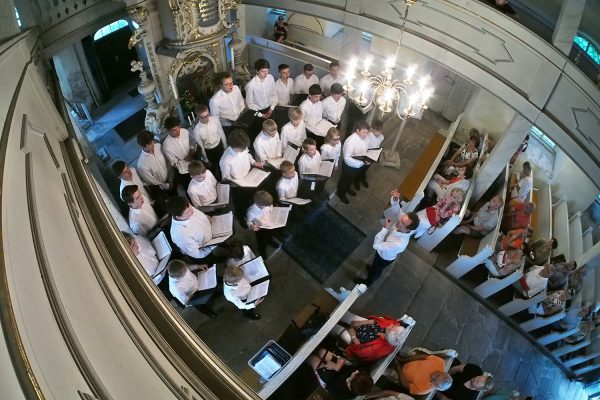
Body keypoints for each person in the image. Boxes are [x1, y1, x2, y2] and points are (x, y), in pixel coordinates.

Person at [306, 348, 402, 399]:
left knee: (313, 359)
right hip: (340, 369)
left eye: (355, 375)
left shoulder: (341, 393)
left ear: (350, 383)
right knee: (322, 351)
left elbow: (329, 382)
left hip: (329, 380)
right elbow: (354, 367)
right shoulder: (362, 374)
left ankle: (307, 360)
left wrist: (335, 367)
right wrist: (338, 366)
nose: (356, 371)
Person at [354, 212, 420, 286]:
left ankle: (368, 282)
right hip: (382, 251)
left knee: (377, 269)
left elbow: (376, 245)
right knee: (375, 266)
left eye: (402, 222)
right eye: (401, 218)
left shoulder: (399, 243)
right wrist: (395, 201)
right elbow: (398, 210)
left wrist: (385, 228)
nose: (399, 221)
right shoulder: (402, 226)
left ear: (408, 229)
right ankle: (372, 270)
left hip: (384, 258)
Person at [167, 196, 218, 263]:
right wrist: (213, 245)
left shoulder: (187, 208)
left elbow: (200, 215)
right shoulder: (180, 235)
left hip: (214, 232)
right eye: (187, 211)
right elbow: (197, 254)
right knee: (212, 260)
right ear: (179, 217)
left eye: (189, 206)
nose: (192, 210)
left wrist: (207, 218)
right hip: (207, 249)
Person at [343, 316, 408, 362]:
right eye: (394, 326)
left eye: (392, 327)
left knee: (342, 332)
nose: (391, 324)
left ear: (388, 335)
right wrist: (360, 323)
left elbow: (360, 350)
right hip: (363, 327)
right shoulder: (392, 332)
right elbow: (375, 321)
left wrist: (353, 335)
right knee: (349, 316)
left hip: (355, 340)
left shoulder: (377, 350)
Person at [336, 120, 372, 204]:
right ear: (357, 130)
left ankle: (347, 188)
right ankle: (341, 194)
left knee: (350, 180)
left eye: (367, 132)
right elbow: (346, 158)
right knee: (344, 181)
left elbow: (367, 146)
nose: (366, 135)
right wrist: (362, 163)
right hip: (349, 166)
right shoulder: (350, 141)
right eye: (364, 132)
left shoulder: (366, 137)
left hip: (360, 162)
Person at [192, 104, 227, 179]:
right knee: (213, 170)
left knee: (223, 165)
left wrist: (225, 147)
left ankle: (225, 180)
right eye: (203, 117)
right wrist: (206, 160)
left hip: (219, 146)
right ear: (198, 117)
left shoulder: (215, 120)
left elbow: (222, 134)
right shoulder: (196, 131)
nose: (207, 118)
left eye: (208, 115)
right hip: (209, 151)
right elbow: (201, 147)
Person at [246, 190, 281, 258]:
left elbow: (270, 208)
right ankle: (262, 250)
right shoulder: (251, 211)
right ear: (259, 204)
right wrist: (251, 226)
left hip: (269, 224)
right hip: (260, 228)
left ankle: (270, 241)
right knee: (261, 240)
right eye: (266, 205)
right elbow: (248, 221)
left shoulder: (268, 204)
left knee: (270, 234)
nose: (268, 206)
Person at [163, 116, 194, 188]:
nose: (178, 131)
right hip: (184, 171)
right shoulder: (167, 145)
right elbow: (173, 163)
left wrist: (192, 152)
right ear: (168, 130)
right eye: (174, 130)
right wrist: (184, 159)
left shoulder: (185, 131)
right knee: (189, 189)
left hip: (194, 164)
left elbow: (192, 143)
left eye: (178, 127)